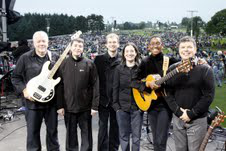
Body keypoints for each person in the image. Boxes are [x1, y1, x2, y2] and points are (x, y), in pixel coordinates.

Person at [11, 31, 60, 151]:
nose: (41, 43)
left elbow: (60, 79)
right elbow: (15, 77)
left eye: (44, 41)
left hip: (51, 103)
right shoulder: (25, 58)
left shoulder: (55, 57)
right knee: (33, 136)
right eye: (39, 41)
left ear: (48, 42)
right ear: (34, 43)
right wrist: (24, 90)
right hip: (32, 103)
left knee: (53, 134)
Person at [165, 36, 215, 151]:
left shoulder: (205, 69)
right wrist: (177, 111)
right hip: (178, 118)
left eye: (189, 47)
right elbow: (167, 92)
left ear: (195, 49)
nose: (186, 50)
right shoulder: (173, 69)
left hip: (197, 120)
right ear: (178, 50)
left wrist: (191, 114)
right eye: (183, 47)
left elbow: (208, 96)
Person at [131, 36, 178, 151]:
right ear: (148, 47)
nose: (155, 46)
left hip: (165, 106)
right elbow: (133, 81)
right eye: (152, 44)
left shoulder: (170, 61)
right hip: (151, 106)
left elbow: (183, 70)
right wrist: (147, 85)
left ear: (162, 45)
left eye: (158, 43)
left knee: (161, 140)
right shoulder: (145, 62)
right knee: (155, 140)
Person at [56, 37, 99, 151]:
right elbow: (59, 86)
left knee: (86, 137)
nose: (77, 48)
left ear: (83, 48)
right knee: (71, 137)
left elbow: (95, 85)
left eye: (80, 46)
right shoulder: (63, 64)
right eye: (75, 45)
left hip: (85, 108)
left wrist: (94, 106)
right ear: (70, 47)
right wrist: (59, 105)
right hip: (68, 108)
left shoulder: (89, 64)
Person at [112, 42, 143, 151]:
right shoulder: (118, 69)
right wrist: (116, 107)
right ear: (124, 54)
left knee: (136, 138)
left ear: (136, 53)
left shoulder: (141, 69)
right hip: (122, 108)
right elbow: (115, 88)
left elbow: (145, 88)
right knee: (124, 137)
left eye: (132, 51)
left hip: (137, 108)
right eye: (127, 51)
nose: (129, 53)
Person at [94, 33, 121, 151]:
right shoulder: (99, 59)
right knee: (103, 128)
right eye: (110, 42)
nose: (112, 44)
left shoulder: (122, 60)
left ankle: (114, 149)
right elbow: (94, 80)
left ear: (118, 44)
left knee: (116, 128)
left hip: (117, 101)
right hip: (103, 100)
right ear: (106, 44)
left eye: (114, 42)